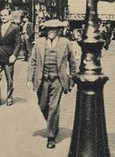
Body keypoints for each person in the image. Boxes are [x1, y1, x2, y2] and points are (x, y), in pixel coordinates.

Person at [26, 19, 76, 149]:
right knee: (43, 106)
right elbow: (32, 62)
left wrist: (72, 80)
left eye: (54, 29)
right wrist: (29, 80)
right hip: (42, 80)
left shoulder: (66, 43)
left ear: (59, 30)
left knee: (53, 107)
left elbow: (72, 63)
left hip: (58, 80)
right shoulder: (39, 43)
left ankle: (51, 137)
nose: (51, 32)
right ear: (46, 30)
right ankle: (53, 125)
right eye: (49, 29)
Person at [0, 8, 20, 107]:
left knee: (9, 78)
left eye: (5, 15)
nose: (3, 17)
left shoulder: (14, 28)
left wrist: (14, 55)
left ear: (10, 16)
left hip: (9, 56)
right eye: (1, 15)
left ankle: (9, 97)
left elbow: (18, 44)